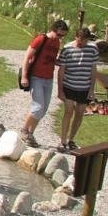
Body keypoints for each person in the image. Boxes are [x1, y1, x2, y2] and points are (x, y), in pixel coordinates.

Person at [19, 19, 70, 147]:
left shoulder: (57, 42)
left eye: (63, 35)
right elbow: (27, 56)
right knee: (38, 107)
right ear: (53, 30)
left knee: (44, 109)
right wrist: (24, 77)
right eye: (59, 34)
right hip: (36, 77)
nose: (61, 37)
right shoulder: (41, 39)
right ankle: (24, 130)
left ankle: (30, 133)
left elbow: (51, 59)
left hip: (48, 79)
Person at [55, 28, 100, 153]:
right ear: (75, 37)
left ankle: (71, 140)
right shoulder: (67, 49)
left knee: (80, 113)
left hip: (84, 87)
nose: (81, 43)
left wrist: (91, 89)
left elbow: (93, 70)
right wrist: (60, 90)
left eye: (84, 41)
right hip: (69, 85)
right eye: (79, 40)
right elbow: (61, 71)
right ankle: (63, 141)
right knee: (68, 111)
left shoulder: (93, 49)